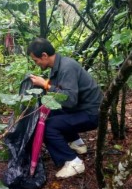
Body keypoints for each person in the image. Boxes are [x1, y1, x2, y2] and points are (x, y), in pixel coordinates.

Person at [27, 38, 103, 179]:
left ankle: (74, 162)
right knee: (47, 115)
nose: (36, 64)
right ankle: (78, 144)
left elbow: (69, 100)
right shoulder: (57, 66)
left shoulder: (66, 67)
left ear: (44, 55)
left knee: (48, 127)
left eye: (36, 60)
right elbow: (59, 94)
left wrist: (45, 85)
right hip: (81, 108)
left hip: (91, 113)